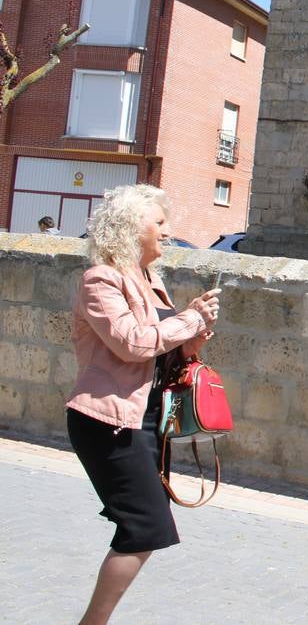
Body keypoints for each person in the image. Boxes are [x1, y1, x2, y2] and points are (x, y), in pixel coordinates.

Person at [66, 184, 220, 625]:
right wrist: (187, 320)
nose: (168, 233)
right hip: (107, 420)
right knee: (145, 526)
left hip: (147, 419)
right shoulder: (101, 279)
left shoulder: (153, 283)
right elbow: (132, 344)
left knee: (144, 526)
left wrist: (192, 336)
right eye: (159, 224)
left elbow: (160, 354)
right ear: (132, 229)